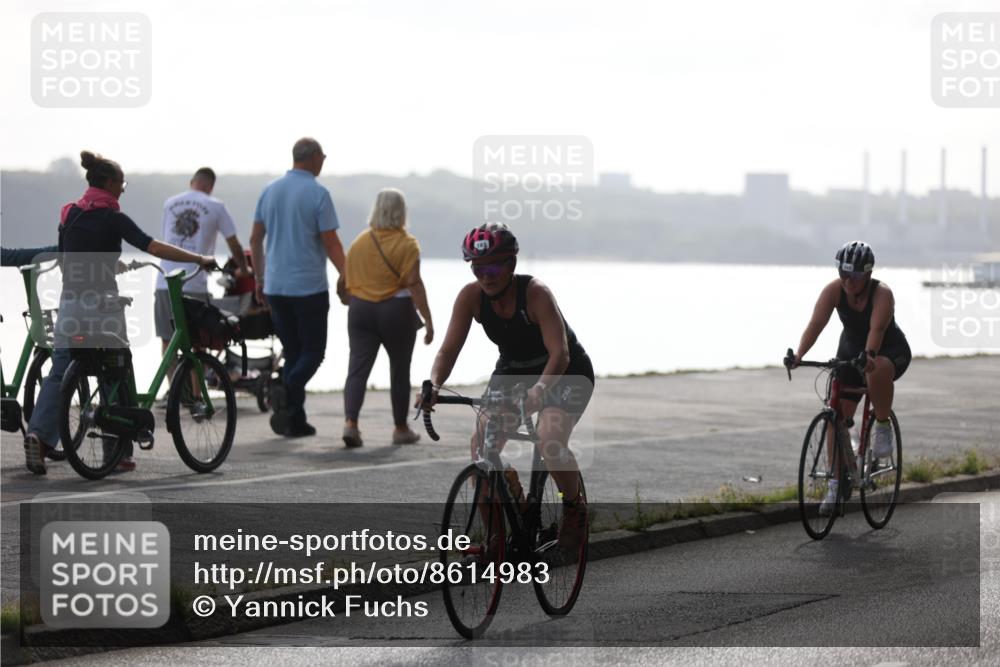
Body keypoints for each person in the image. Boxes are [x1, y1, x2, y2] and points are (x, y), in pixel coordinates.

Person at [23, 150, 217, 475]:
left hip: (70, 300)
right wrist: (198, 259)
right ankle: (121, 451)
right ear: (111, 184)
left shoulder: (70, 213)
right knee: (117, 367)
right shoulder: (113, 216)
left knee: (59, 373)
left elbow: (71, 254)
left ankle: (38, 440)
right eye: (122, 184)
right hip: (102, 305)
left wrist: (112, 263)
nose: (122, 189)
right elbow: (152, 246)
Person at [417, 222, 594, 550]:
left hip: (566, 371)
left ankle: (574, 508)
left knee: (549, 439)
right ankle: (499, 535)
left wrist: (541, 390)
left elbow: (561, 352)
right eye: (478, 267)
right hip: (513, 372)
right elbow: (447, 350)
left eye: (494, 265)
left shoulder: (536, 293)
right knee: (482, 443)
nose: (486, 275)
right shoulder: (471, 297)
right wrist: (435, 384)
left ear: (511, 265)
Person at [790, 240, 911, 515]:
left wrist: (868, 354)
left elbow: (877, 331)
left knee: (877, 367)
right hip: (850, 349)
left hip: (889, 350)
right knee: (836, 414)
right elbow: (816, 324)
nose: (847, 281)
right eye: (842, 274)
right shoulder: (834, 290)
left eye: (854, 276)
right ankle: (835, 482)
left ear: (867, 274)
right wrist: (798, 354)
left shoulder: (882, 294)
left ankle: (881, 425)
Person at [250, 137, 345, 438]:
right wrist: (349, 276)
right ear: (315, 158)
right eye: (323, 157)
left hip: (276, 286)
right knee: (313, 353)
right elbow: (331, 242)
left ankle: (295, 419)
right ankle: (286, 385)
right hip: (308, 287)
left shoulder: (269, 190)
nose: (323, 162)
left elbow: (255, 240)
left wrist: (259, 279)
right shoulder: (318, 193)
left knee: (293, 353)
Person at [342, 189, 433, 448]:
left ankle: (351, 423)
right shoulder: (407, 243)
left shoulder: (359, 242)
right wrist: (428, 320)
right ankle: (400, 428)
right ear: (401, 212)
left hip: (360, 310)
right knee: (399, 370)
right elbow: (414, 284)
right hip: (396, 311)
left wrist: (352, 300)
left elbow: (345, 280)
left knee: (357, 370)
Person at [155, 168, 247, 377]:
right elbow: (233, 242)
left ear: (192, 182)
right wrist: (243, 268)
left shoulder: (170, 203)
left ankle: (171, 394)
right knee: (198, 341)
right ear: (211, 186)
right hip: (193, 281)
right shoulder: (216, 206)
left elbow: (166, 239)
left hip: (165, 280)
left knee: (167, 340)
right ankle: (196, 399)